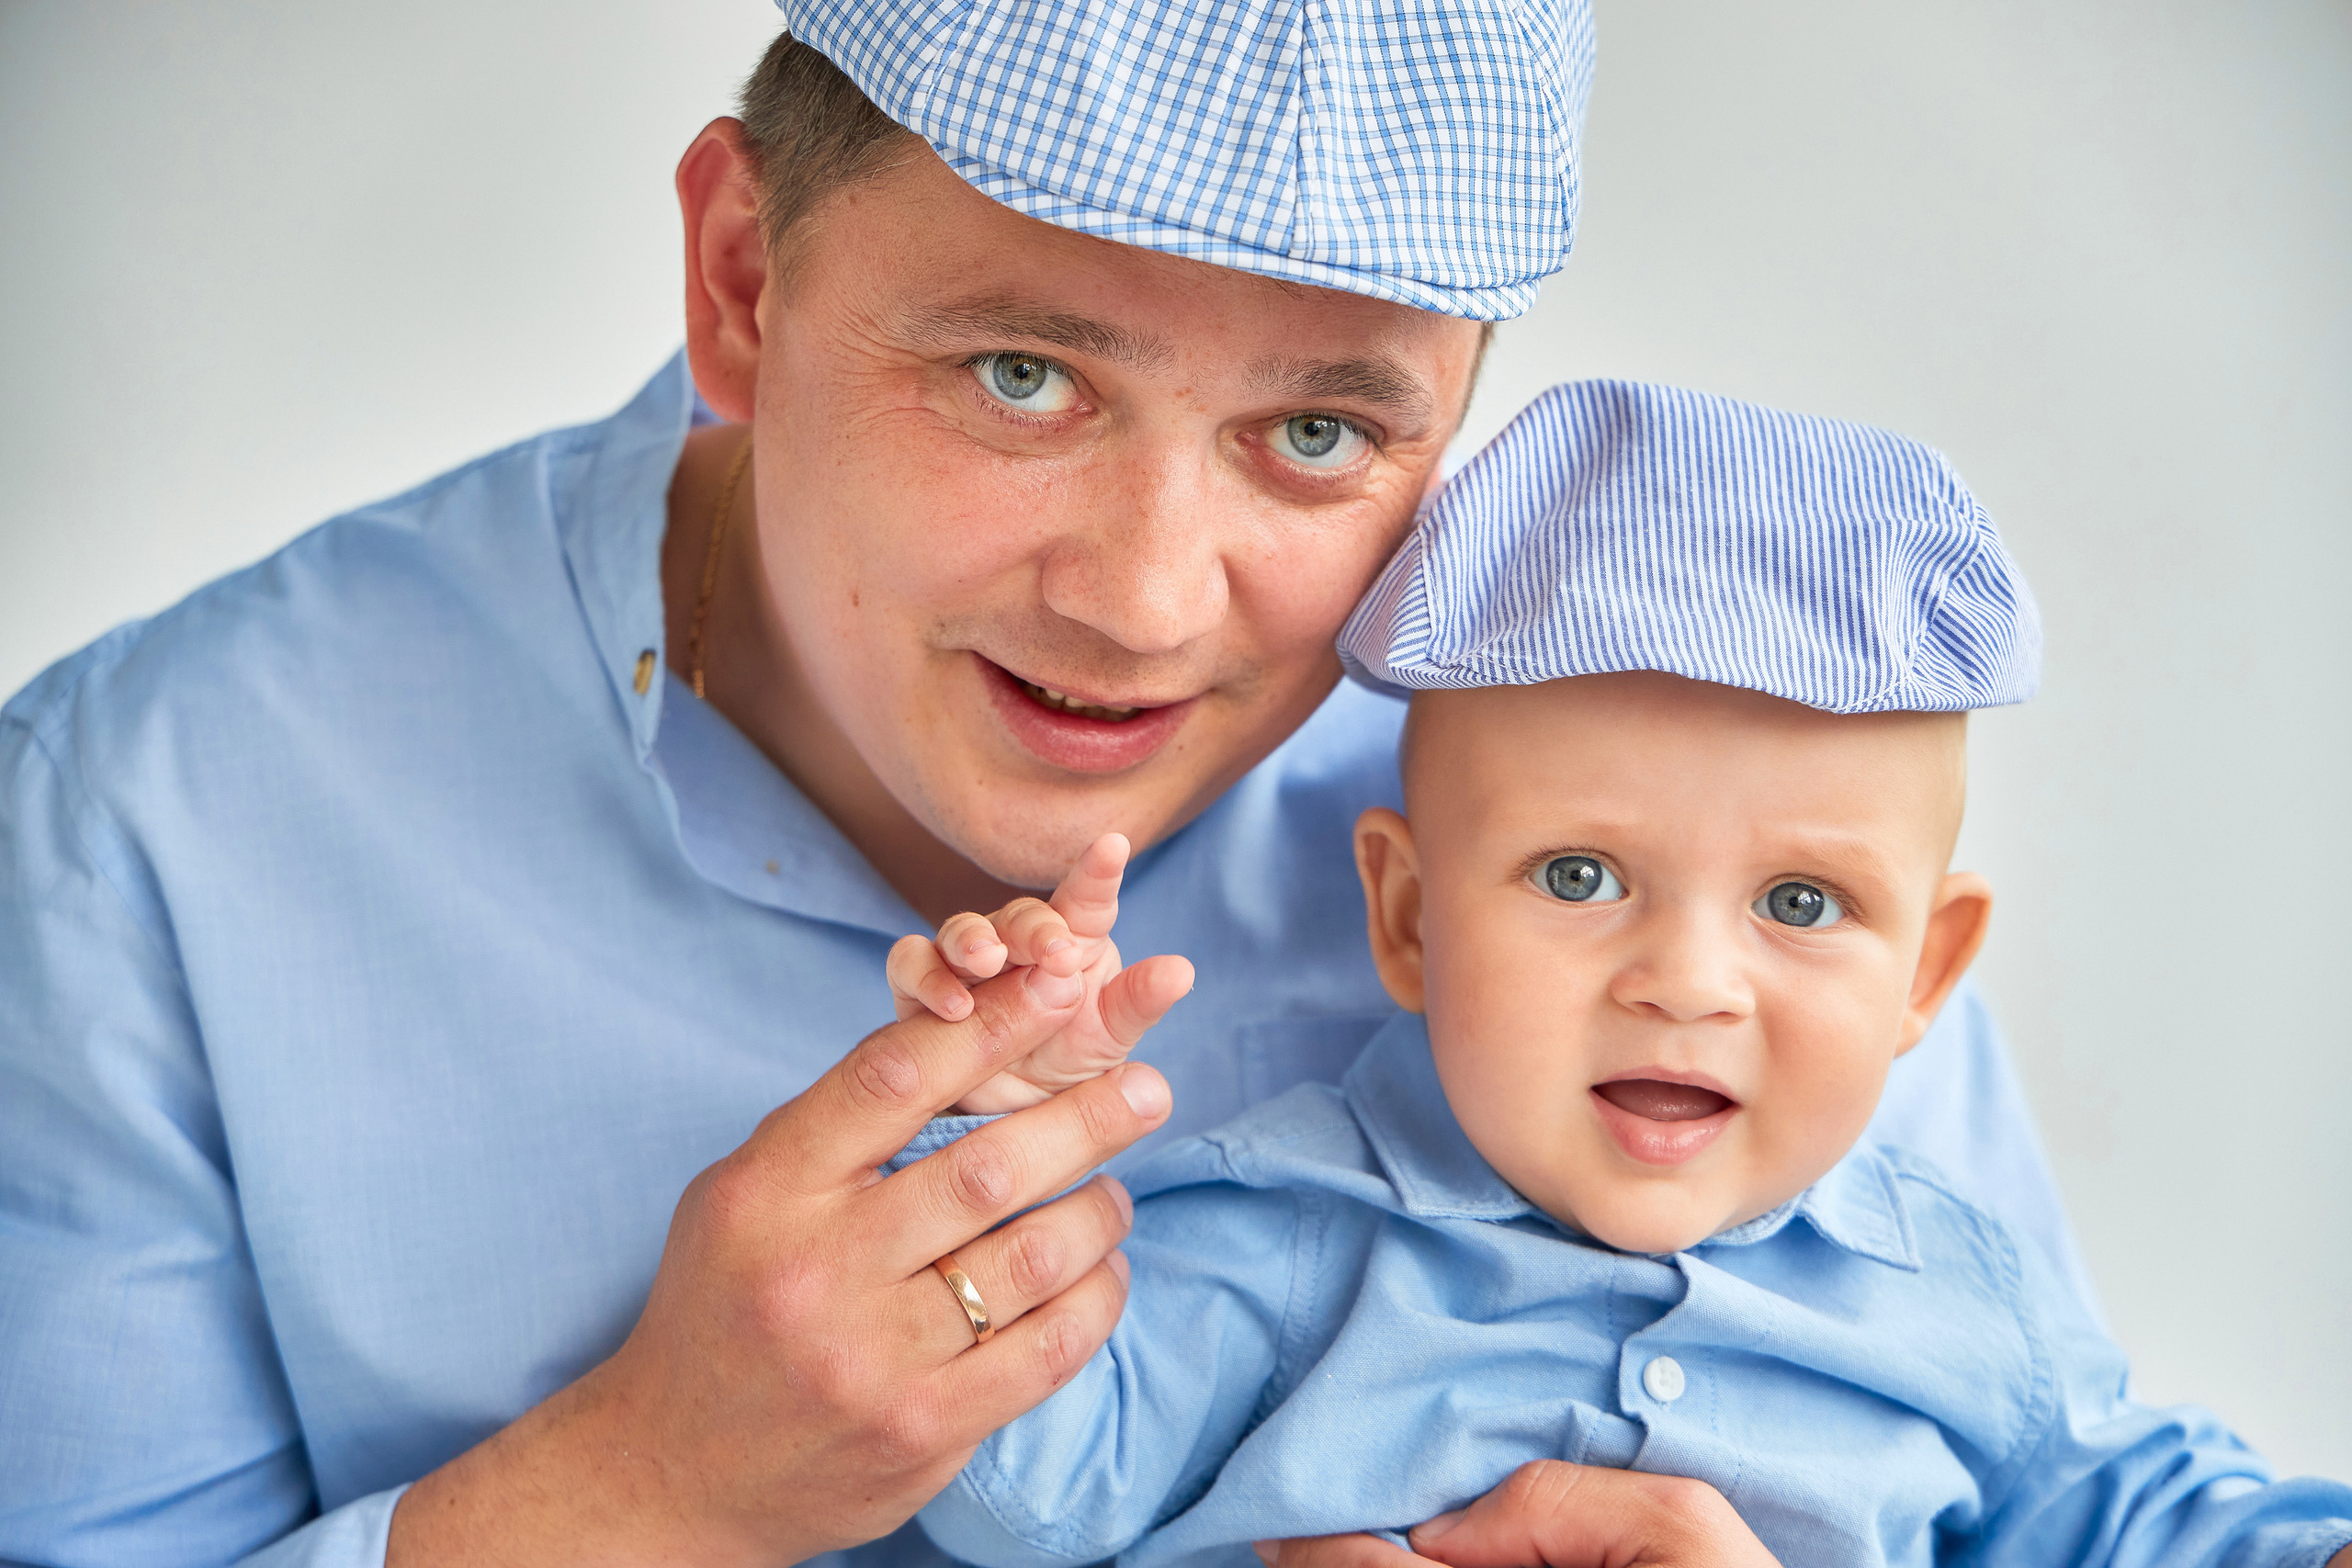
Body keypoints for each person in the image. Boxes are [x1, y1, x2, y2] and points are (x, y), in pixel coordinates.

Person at [0, 6, 2083, 1566]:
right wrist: (641, 1482)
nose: (1146, 601)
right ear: (742, 275)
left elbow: (2044, 1478)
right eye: (1022, 376)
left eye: (1317, 434)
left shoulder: (1647, 806)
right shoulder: (145, 826)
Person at [894, 382, 2352, 1568]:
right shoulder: (1299, 1235)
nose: (1687, 982)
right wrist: (997, 1125)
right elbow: (1021, 1495)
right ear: (1406, 918)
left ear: (1928, 970)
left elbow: (2148, 1519)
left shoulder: (1954, 1297)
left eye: (1801, 900)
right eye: (1580, 878)